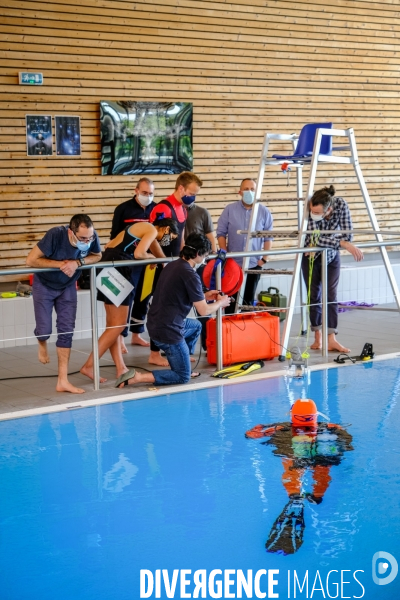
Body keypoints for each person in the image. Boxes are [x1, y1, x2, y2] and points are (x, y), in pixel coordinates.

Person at [115, 233, 231, 389]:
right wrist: (221, 302)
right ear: (197, 254)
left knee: (196, 326)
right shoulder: (190, 274)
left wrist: (205, 295)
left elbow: (178, 294)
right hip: (168, 331)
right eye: (205, 255)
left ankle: (181, 358)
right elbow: (203, 310)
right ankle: (139, 377)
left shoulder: (173, 265)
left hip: (156, 324)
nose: (205, 258)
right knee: (182, 376)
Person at [245, 398, 353, 555]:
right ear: (315, 415)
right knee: (323, 468)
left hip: (294, 448)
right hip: (323, 447)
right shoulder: (331, 427)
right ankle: (317, 496)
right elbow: (347, 440)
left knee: (291, 467)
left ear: (292, 415)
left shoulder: (282, 428)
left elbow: (251, 435)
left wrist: (261, 428)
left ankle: (294, 495)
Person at [80, 218, 178, 383]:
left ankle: (121, 368)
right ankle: (89, 365)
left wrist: (159, 261)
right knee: (118, 325)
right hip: (118, 269)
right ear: (166, 229)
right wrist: (149, 258)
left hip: (107, 266)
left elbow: (159, 255)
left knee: (113, 326)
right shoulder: (152, 230)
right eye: (171, 237)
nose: (168, 241)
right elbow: (139, 254)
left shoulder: (144, 230)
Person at [26, 214, 102, 394]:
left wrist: (78, 262)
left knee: (66, 330)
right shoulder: (55, 235)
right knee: (44, 329)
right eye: (83, 238)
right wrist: (61, 264)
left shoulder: (91, 236)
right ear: (71, 232)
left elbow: (97, 255)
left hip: (68, 285)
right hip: (44, 284)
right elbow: (30, 260)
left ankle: (63, 380)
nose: (87, 241)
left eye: (90, 238)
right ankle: (42, 341)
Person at [143, 171, 204, 366]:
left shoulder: (183, 208)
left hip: (174, 262)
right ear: (181, 188)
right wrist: (163, 260)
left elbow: (182, 236)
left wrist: (184, 258)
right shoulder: (163, 207)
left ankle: (178, 349)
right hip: (159, 265)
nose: (193, 196)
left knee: (175, 305)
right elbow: (152, 236)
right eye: (191, 192)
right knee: (158, 305)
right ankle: (154, 354)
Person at [302, 184, 364, 353]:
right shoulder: (309, 205)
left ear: (328, 210)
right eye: (312, 212)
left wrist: (342, 242)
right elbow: (314, 238)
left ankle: (331, 339)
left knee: (331, 295)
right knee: (313, 295)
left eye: (317, 213)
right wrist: (341, 243)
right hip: (310, 256)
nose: (314, 215)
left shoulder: (341, 205)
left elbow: (347, 236)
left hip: (331, 257)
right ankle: (317, 337)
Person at [110, 177, 157, 351]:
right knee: (127, 298)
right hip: (128, 261)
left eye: (151, 193)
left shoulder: (156, 209)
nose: (148, 196)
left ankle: (137, 334)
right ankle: (121, 337)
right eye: (145, 193)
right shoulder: (123, 209)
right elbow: (114, 236)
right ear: (136, 190)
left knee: (143, 297)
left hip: (148, 262)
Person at [216, 178, 273, 312]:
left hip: (254, 264)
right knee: (230, 301)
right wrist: (224, 254)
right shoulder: (230, 209)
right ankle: (229, 329)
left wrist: (264, 259)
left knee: (248, 301)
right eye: (246, 189)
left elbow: (268, 237)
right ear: (240, 192)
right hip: (232, 264)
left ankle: (246, 331)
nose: (249, 192)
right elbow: (221, 233)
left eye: (252, 189)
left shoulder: (264, 211)